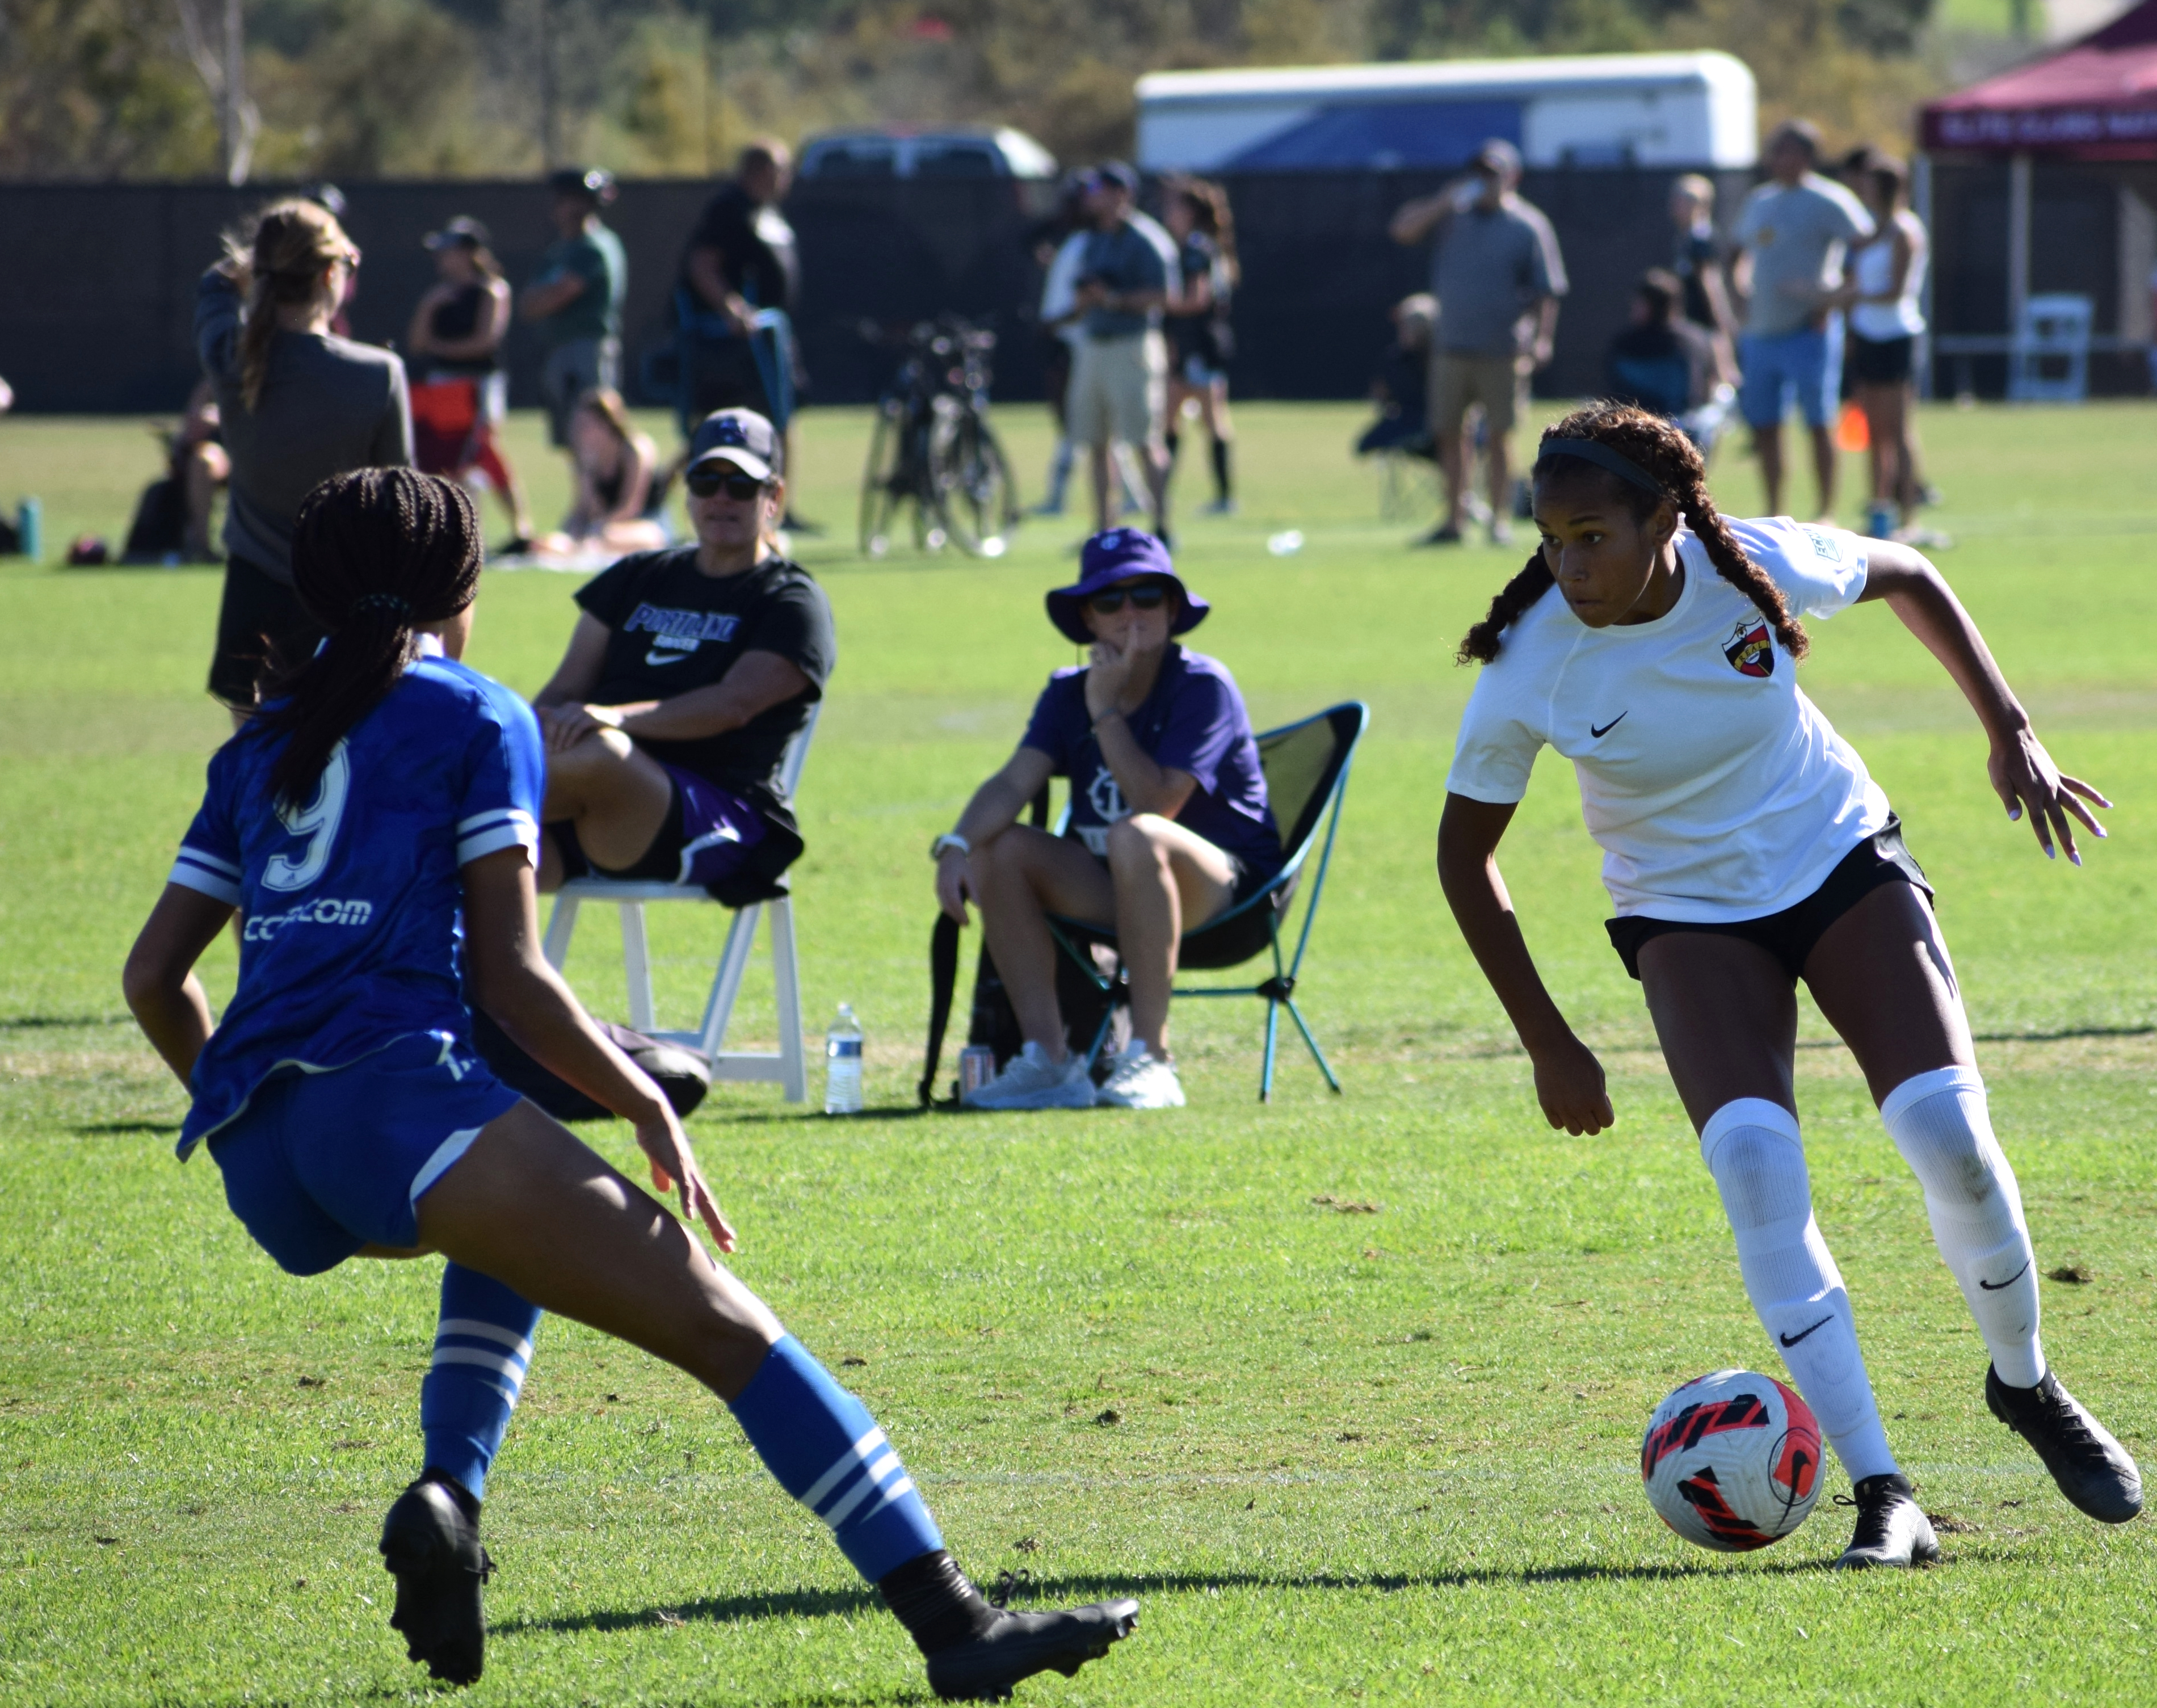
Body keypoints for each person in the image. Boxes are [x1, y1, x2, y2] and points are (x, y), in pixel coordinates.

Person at [121, 466, 1139, 1697]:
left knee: (509, 1207)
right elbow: (513, 978)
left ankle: (449, 1495)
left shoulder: (264, 736)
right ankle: (957, 1623)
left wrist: (244, 1115)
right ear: (461, 589)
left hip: (270, 1156)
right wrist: (644, 1095)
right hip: (393, 1111)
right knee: (732, 1330)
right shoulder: (477, 712)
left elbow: (153, 978)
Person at [1437, 401, 2142, 1570]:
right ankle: (1884, 1489)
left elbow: (1910, 572)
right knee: (1757, 1167)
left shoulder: (1749, 561)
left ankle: (2024, 1382)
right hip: (1682, 910)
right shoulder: (1530, 665)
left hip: (1836, 855)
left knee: (1948, 1134)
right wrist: (1547, 1041)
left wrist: (2008, 728)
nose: (1569, 566)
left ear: (1663, 517)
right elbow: (1466, 858)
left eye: (1593, 535)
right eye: (1550, 539)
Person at [935, 528, 1282, 1113]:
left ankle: (1151, 1057)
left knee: (1137, 834)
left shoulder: (1203, 686)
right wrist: (955, 845)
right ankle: (1049, 1060)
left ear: (1172, 610)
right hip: (1121, 883)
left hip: (1229, 897)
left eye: (1147, 596)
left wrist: (1106, 712)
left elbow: (1157, 804)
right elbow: (1012, 782)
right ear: (1087, 620)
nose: (1130, 613)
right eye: (1109, 601)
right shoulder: (1067, 692)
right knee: (997, 847)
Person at [530, 409, 828, 908]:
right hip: (592, 804)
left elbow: (732, 705)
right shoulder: (636, 577)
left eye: (741, 485)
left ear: (773, 496)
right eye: (705, 480)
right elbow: (564, 690)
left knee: (594, 754)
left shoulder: (791, 601)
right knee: (480, 849)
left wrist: (613, 719)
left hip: (713, 814)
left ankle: (457, 798)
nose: (721, 498)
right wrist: (529, 728)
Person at [195, 197, 411, 712]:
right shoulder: (376, 374)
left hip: (252, 600)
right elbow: (404, 508)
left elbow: (215, 285)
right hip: (347, 606)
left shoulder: (230, 356)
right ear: (331, 274)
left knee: (253, 775)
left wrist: (263, 261)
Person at [1388, 138, 1567, 548]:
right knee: (1449, 433)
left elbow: (1547, 290)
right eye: (1479, 173)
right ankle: (1454, 520)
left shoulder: (1527, 225)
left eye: (1493, 173)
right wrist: (1441, 202)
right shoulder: (1454, 217)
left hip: (1501, 349)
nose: (1484, 182)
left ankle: (1499, 520)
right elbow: (1402, 230)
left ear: (1512, 178)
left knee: (1501, 435)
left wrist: (1541, 340)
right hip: (1451, 345)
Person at [1731, 120, 1872, 520]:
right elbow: (1737, 254)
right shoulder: (1759, 201)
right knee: (1764, 425)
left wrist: (1830, 299)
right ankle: (1773, 511)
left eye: (1788, 151)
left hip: (1808, 330)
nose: (1778, 159)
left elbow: (1865, 252)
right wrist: (1740, 294)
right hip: (1760, 331)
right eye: (1774, 151)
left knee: (1817, 421)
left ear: (1808, 157)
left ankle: (1824, 511)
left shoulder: (1830, 199)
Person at [405, 216, 534, 549]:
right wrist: (429, 306)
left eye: (449, 251)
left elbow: (485, 341)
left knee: (484, 447)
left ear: (468, 253)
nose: (442, 259)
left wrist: (441, 348)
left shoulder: (491, 289)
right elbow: (417, 343)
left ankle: (521, 525)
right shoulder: (440, 294)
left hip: (478, 383)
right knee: (447, 456)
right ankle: (456, 528)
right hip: (442, 384)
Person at [1068, 163, 1179, 542]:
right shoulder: (1094, 239)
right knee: (1095, 442)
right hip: (1094, 346)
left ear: (1120, 194)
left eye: (1099, 191)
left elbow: (1165, 296)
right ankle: (1103, 529)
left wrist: (1114, 299)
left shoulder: (1145, 239)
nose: (1091, 197)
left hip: (1132, 346)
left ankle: (1162, 525)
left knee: (1144, 439)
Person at [1830, 152, 1932, 542]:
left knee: (1897, 429)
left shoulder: (1905, 231)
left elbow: (1895, 291)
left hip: (1895, 337)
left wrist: (1851, 297)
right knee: (1873, 431)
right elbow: (1853, 278)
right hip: (1867, 337)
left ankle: (1909, 517)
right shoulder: (1869, 231)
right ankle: (1879, 516)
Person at [520, 167, 627, 457]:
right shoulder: (560, 250)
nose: (563, 207)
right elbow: (528, 305)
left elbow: (557, 295)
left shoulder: (592, 247)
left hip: (586, 350)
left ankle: (601, 500)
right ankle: (587, 501)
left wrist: (543, 298)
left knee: (595, 432)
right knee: (570, 436)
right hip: (560, 350)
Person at [1162, 176, 1238, 516]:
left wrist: (1154, 302)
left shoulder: (1196, 248)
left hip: (1198, 344)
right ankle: (1163, 495)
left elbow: (1196, 300)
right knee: (1173, 420)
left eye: (1174, 205)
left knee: (1206, 420)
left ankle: (1222, 497)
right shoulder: (1202, 245)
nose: (1168, 211)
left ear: (1190, 211)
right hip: (1196, 344)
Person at [525, 386, 670, 560]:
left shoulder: (635, 451)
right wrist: (571, 533)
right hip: (603, 527)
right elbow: (585, 509)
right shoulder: (585, 458)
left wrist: (596, 529)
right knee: (569, 535)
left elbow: (631, 507)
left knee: (607, 537)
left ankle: (582, 547)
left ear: (607, 424)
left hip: (645, 524)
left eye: (586, 425)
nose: (579, 432)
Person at [121, 380, 229, 565]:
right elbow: (196, 414)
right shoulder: (221, 372)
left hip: (258, 451)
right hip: (226, 450)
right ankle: (201, 546)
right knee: (201, 461)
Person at [1604, 270, 1718, 424]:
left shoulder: (1627, 344)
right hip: (1687, 425)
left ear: (1649, 306)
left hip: (1642, 424)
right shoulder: (1697, 339)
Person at [1668, 174, 1739, 383]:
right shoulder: (1685, 237)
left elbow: (1711, 281)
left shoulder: (1701, 238)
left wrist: (1721, 319)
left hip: (1704, 319)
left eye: (1687, 201)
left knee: (1717, 368)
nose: (1678, 206)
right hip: (1689, 316)